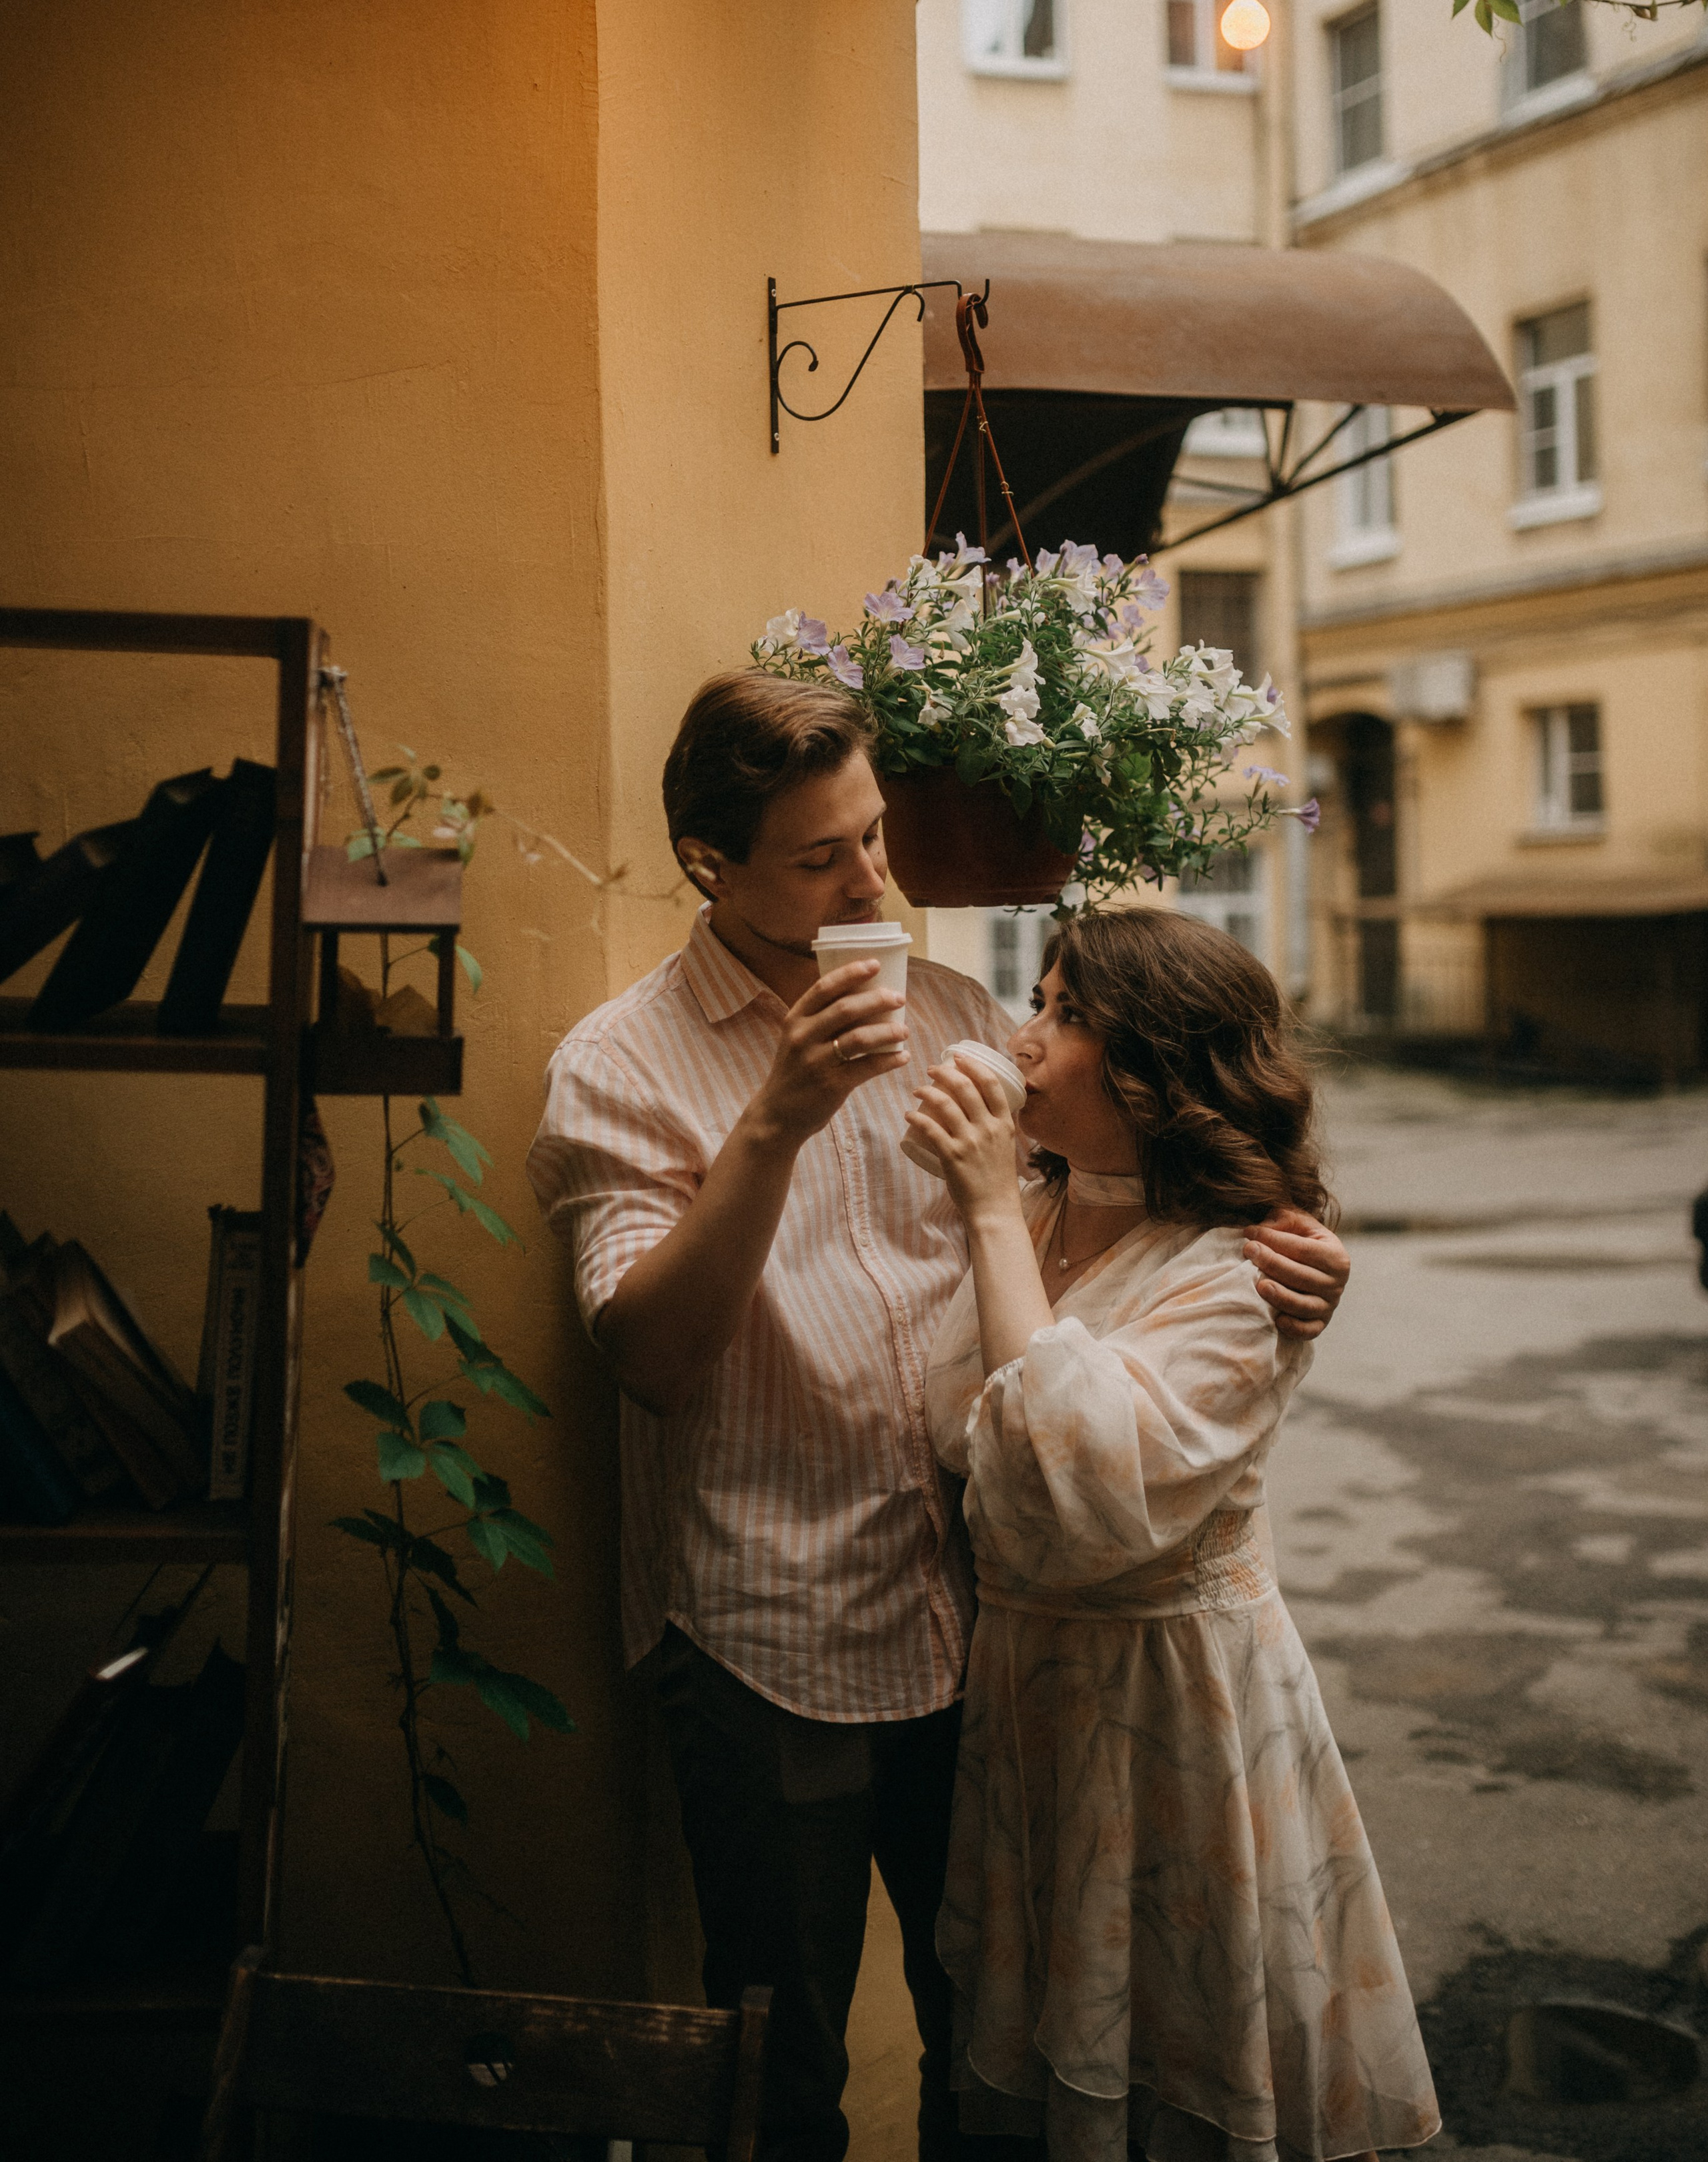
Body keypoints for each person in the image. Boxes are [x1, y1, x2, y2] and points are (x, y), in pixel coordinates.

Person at [526, 671, 1354, 2162]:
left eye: (875, 835)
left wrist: (1292, 1241)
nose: (873, 884)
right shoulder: (618, 1062)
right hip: (767, 1627)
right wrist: (772, 1120)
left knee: (997, 2036)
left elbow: (1102, 1232)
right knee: (779, 2060)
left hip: (986, 1624)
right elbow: (646, 1356)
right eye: (820, 857)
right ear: (711, 864)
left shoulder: (954, 1011)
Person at [911, 906, 1439, 2162]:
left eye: (1066, 1015)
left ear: (1156, 1074)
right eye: (1033, 1002)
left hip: (1171, 1714)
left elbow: (1073, 1496)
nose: (1024, 1039)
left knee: (1173, 2055)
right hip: (1030, 1702)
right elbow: (957, 1427)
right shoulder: (1047, 1210)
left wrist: (985, 1208)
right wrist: (1002, 1207)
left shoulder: (1245, 1266)